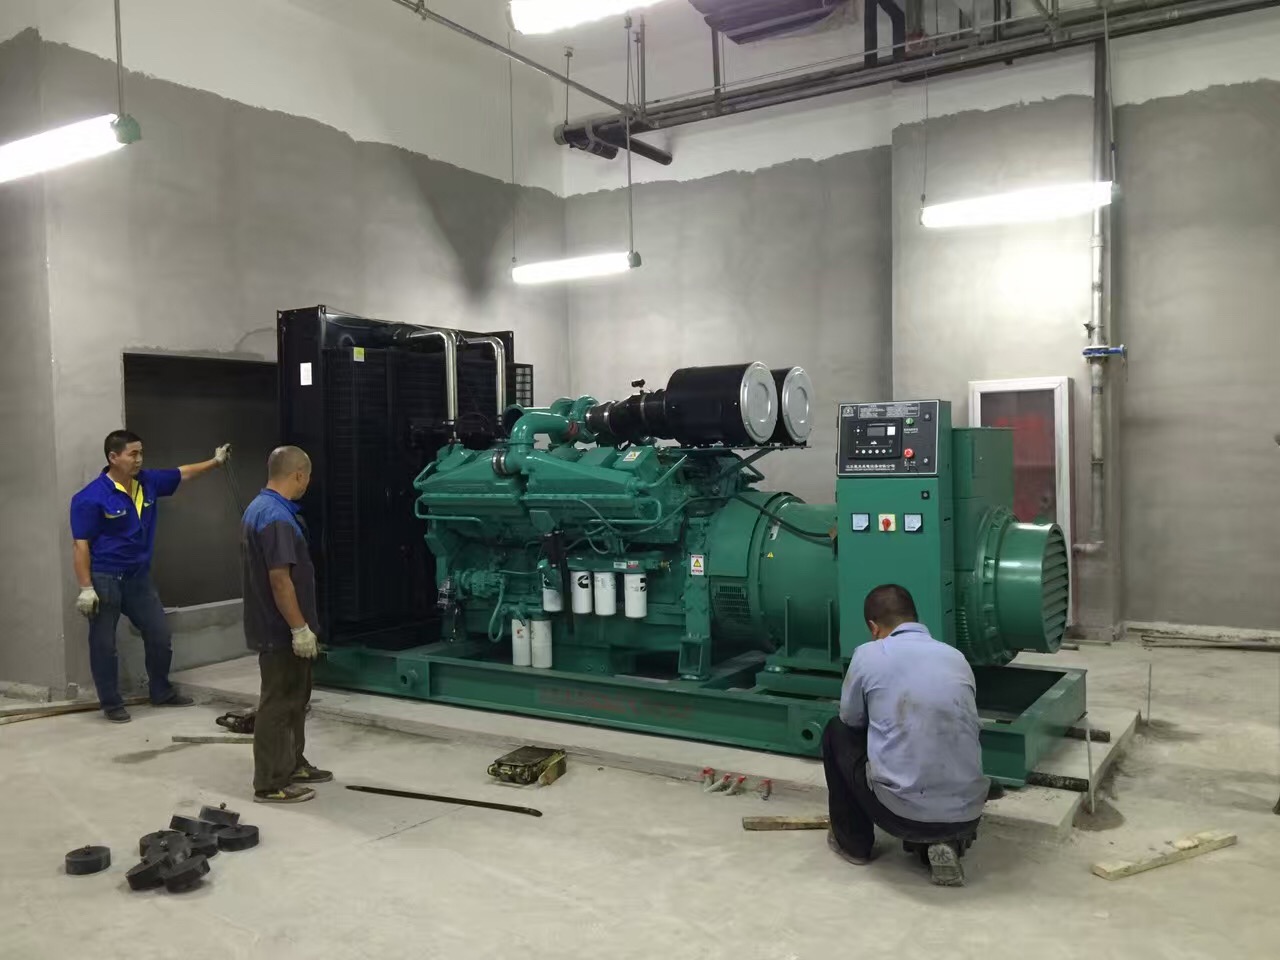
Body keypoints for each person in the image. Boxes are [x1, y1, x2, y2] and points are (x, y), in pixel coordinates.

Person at [823, 584, 988, 887]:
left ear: (874, 627)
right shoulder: (955, 657)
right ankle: (943, 843)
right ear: (914, 617)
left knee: (837, 732)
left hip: (900, 813)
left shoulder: (868, 655)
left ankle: (854, 844)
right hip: (969, 811)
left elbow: (851, 719)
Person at [70, 430, 232, 722]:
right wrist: (85, 587)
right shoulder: (90, 498)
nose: (139, 459)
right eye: (133, 454)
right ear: (113, 457)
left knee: (158, 633)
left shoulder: (148, 482)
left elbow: (183, 473)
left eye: (141, 453)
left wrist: (215, 462)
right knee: (104, 643)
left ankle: (161, 691)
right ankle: (111, 703)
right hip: (106, 577)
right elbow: (80, 545)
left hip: (138, 577)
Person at [240, 446, 331, 804]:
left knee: (295, 698)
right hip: (279, 629)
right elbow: (280, 580)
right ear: (298, 475)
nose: (308, 482)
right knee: (279, 703)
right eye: (307, 476)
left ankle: (293, 763)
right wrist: (298, 629)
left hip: (275, 624)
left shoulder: (260, 508)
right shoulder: (276, 517)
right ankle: (271, 782)